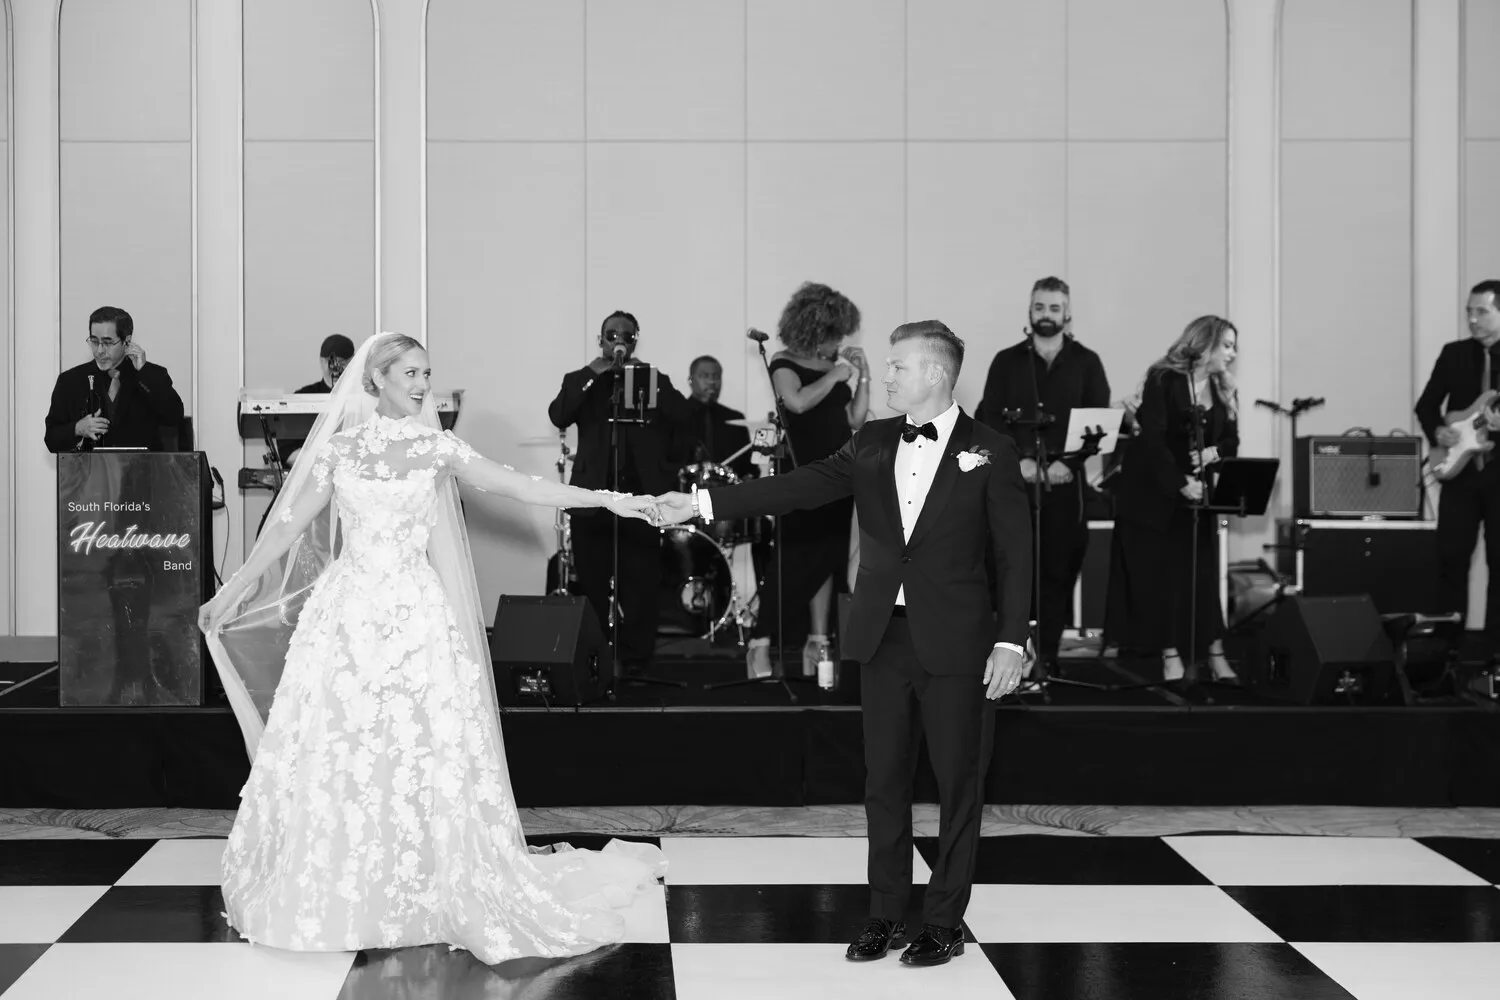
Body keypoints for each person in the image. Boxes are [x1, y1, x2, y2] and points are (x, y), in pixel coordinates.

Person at [197, 332, 667, 962]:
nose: (423, 384)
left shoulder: (437, 448)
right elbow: (286, 526)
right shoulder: (341, 450)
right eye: (411, 373)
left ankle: (429, 881)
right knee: (347, 744)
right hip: (348, 618)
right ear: (378, 380)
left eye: (426, 372)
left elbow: (520, 487)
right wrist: (237, 588)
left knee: (422, 745)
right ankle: (345, 882)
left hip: (416, 616)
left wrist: (615, 501)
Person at [657, 321, 1031, 967]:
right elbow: (795, 489)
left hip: (961, 644)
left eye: (897, 367)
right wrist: (700, 502)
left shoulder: (990, 450)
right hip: (882, 636)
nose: (883, 377)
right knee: (883, 782)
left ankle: (944, 922)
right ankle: (885, 913)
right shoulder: (872, 442)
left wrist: (1011, 642)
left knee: (958, 785)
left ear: (936, 374)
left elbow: (1018, 557)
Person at [976, 276, 1110, 677]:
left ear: (1067, 314)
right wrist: (1017, 462)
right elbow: (987, 420)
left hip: (1066, 485)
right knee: (1010, 570)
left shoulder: (1088, 362)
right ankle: (1008, 660)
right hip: (1015, 485)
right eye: (1039, 307)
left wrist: (1067, 465)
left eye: (1054, 308)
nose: (1046, 315)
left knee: (1058, 570)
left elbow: (1098, 421)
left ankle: (1046, 660)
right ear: (1029, 311)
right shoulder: (1006, 361)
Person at [548, 311, 690, 673]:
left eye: (625, 335)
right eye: (610, 334)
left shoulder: (652, 380)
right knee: (593, 582)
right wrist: (594, 373)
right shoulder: (581, 379)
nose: (618, 340)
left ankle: (637, 661)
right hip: (591, 499)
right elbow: (559, 415)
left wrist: (648, 378)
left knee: (641, 582)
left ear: (635, 340)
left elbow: (682, 416)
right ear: (600, 340)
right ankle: (596, 661)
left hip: (640, 498)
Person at [1104, 316, 1240, 682]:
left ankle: (1215, 652)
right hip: (1155, 494)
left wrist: (1212, 454)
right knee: (1162, 578)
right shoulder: (1163, 379)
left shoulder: (1224, 387)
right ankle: (1169, 653)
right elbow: (1152, 439)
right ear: (1206, 344)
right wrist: (1179, 482)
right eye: (1227, 345)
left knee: (1203, 573)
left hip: (1197, 495)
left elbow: (1230, 441)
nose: (1232, 353)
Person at [748, 282, 871, 679]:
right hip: (801, 475)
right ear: (817, 331)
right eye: (835, 335)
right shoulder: (783, 362)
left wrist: (862, 377)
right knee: (791, 560)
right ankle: (760, 644)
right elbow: (797, 403)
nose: (839, 343)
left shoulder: (833, 371)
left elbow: (853, 420)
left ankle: (818, 643)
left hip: (839, 475)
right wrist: (837, 373)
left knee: (827, 561)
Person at [1415, 279, 1500, 656]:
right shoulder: (1454, 354)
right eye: (1469, 311)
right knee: (1450, 559)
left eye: (1482, 311)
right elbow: (1427, 404)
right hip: (1460, 475)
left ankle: (1495, 652)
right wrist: (1438, 430)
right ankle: (1445, 652)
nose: (1472, 319)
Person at [44, 306, 185, 453]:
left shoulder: (151, 376)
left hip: (140, 472)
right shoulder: (70, 380)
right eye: (94, 341)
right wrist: (77, 429)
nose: (99, 350)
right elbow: (51, 439)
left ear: (127, 342)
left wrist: (144, 372)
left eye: (108, 342)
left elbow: (173, 416)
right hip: (90, 473)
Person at [683, 354, 755, 479]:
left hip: (729, 493)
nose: (711, 382)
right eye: (705, 376)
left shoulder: (735, 418)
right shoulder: (675, 415)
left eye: (716, 376)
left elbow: (748, 467)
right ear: (690, 380)